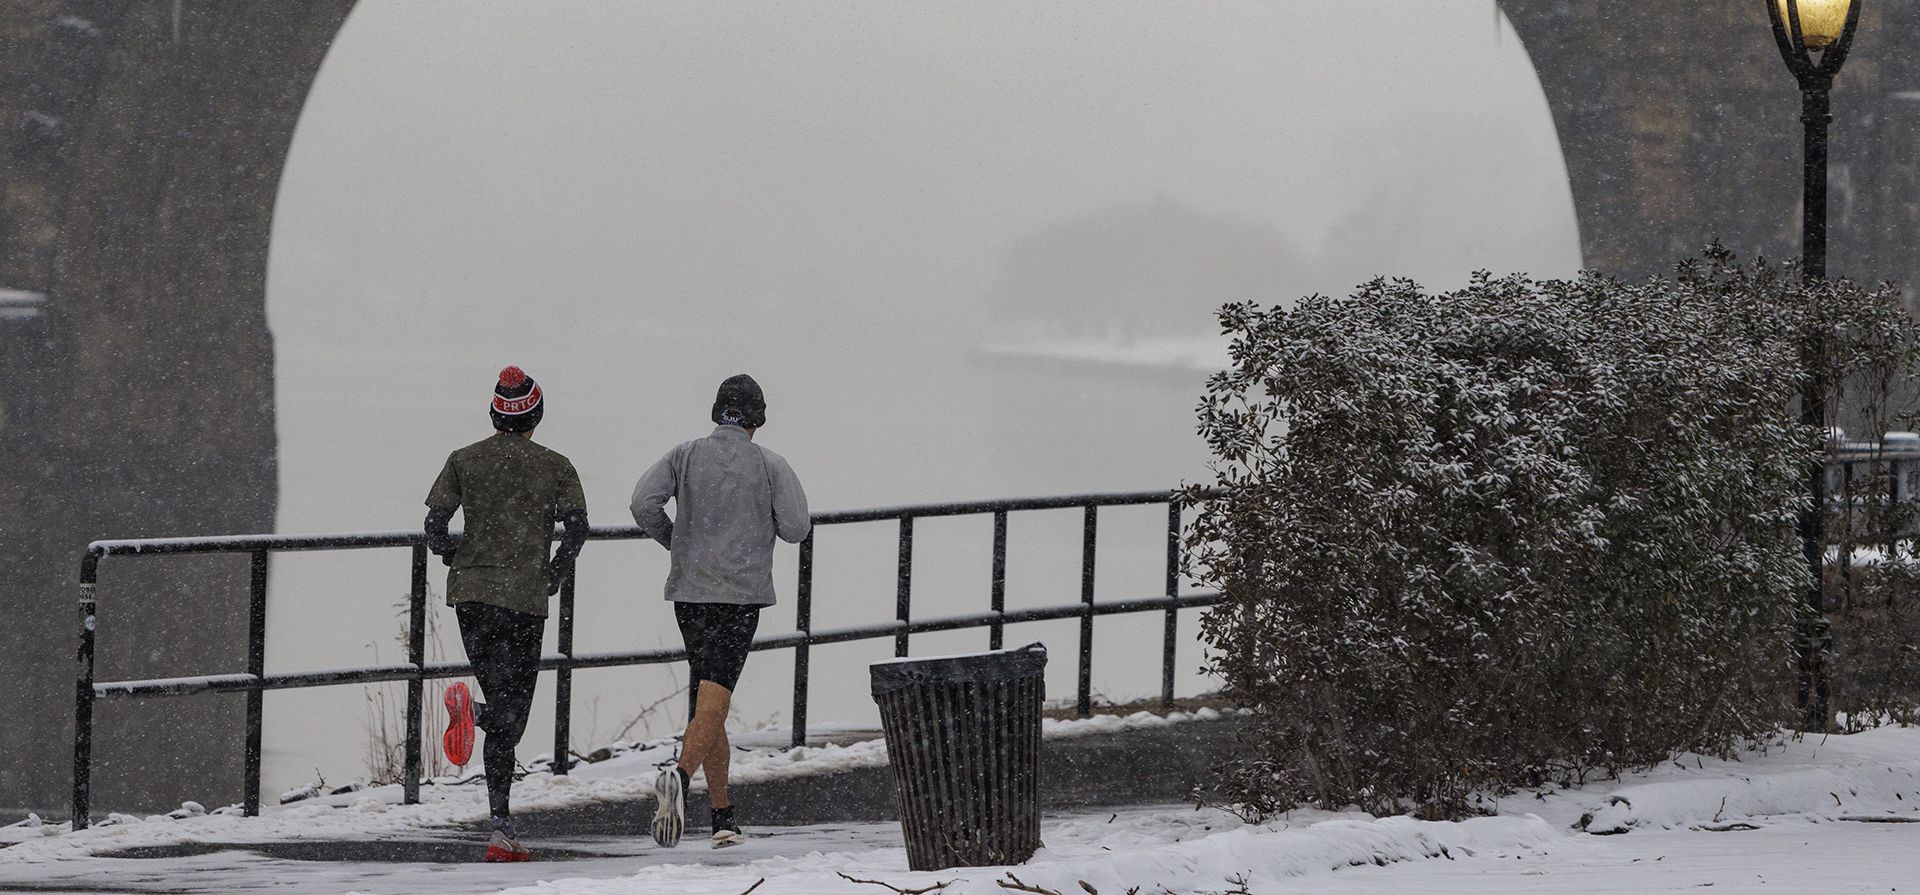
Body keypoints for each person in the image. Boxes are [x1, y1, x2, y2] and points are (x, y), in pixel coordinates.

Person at [631, 373, 810, 849]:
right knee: (716, 700)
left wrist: (679, 544)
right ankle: (679, 774)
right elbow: (796, 528)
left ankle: (723, 816)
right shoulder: (771, 464)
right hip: (740, 597)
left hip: (690, 595)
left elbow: (642, 503)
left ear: (716, 413)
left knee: (707, 702)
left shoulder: (683, 454)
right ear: (758, 419)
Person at [425, 365, 589, 863]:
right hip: (523, 599)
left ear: (494, 414)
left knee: (503, 704)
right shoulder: (555, 465)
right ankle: (499, 827)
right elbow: (578, 527)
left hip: (471, 596)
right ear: (536, 414)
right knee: (512, 716)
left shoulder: (463, 460)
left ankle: (502, 828)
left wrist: (455, 556)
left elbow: (435, 523)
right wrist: (555, 573)